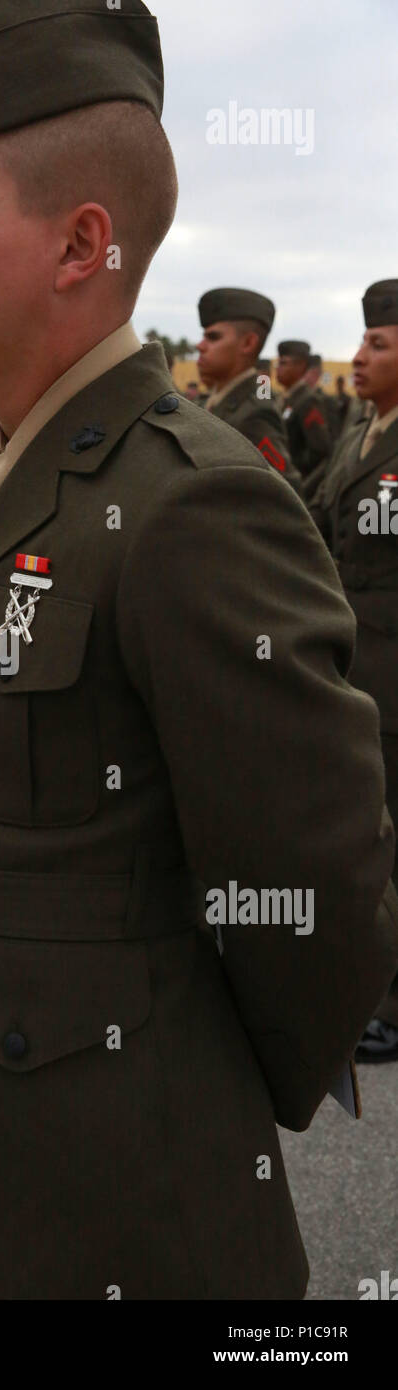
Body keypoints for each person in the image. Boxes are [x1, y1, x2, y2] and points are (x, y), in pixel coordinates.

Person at [0, 0, 398, 1300]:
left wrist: (180, 1076)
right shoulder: (0, 459)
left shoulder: (184, 497)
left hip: (106, 1190)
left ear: (80, 242)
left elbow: (308, 882)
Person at [309, 281, 398, 1063]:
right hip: (360, 663)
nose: (362, 356)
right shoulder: (362, 432)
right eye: (364, 342)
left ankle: (395, 1008)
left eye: (380, 345)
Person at [196, 287, 300, 490]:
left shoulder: (255, 415)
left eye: (213, 337)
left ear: (248, 343)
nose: (200, 345)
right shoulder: (207, 402)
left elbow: (286, 493)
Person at [276, 339, 333, 493]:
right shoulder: (287, 399)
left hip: (296, 484)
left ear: (300, 366)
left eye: (283, 363)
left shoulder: (307, 400)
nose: (277, 369)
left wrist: (293, 464)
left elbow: (320, 449)